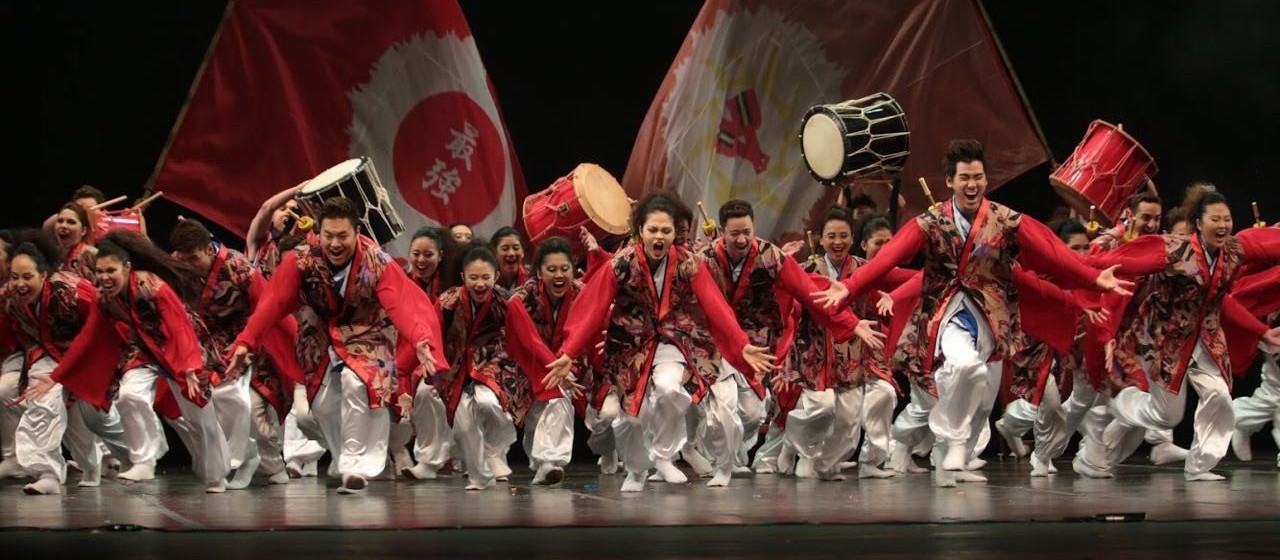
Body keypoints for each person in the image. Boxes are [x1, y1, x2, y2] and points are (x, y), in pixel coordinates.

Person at [812, 139, 1132, 487]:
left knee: (976, 380)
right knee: (965, 367)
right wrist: (850, 285)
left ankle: (955, 449)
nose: (972, 184)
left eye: (978, 177)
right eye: (965, 177)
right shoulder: (932, 221)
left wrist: (1093, 277)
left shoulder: (1004, 219)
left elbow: (1051, 250)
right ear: (949, 181)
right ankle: (950, 442)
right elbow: (890, 256)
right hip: (946, 312)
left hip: (990, 316)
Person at [543, 193, 778, 492]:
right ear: (640, 230)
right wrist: (569, 353)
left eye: (666, 231)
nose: (659, 236)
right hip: (630, 344)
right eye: (653, 229)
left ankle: (665, 456)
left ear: (673, 233)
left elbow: (714, 305)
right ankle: (637, 470)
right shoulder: (622, 264)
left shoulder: (688, 263)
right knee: (631, 416)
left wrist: (741, 343)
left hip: (672, 340)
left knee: (669, 389)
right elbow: (593, 309)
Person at [224, 197, 447, 494]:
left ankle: (356, 468)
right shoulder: (302, 260)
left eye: (342, 236)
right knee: (321, 407)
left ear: (357, 232)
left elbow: (403, 305)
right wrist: (246, 341)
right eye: (328, 235)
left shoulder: (376, 261)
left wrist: (420, 340)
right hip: (318, 334)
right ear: (318, 233)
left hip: (367, 333)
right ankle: (347, 460)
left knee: (356, 384)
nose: (335, 243)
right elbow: (272, 303)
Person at [1096, 192, 1280, 481]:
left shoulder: (1233, 251)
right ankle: (1122, 402)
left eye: (1227, 219)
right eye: (1215, 219)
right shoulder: (1174, 249)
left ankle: (1200, 465)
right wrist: (1086, 271)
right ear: (1199, 222)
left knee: (1219, 396)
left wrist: (1262, 333)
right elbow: (1124, 259)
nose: (1222, 225)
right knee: (1167, 417)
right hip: (1167, 340)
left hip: (1206, 338)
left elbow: (1267, 243)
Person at [692, 201, 872, 486]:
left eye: (747, 232)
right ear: (721, 233)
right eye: (734, 233)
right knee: (721, 405)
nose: (741, 239)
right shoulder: (702, 258)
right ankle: (721, 462)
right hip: (714, 337)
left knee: (752, 412)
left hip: (756, 344)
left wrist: (851, 322)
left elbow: (809, 290)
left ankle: (733, 453)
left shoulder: (770, 256)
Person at [45, 231, 231, 492]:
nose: (104, 277)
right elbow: (88, 338)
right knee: (128, 396)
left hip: (184, 352)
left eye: (111, 270)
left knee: (201, 420)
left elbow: (180, 329)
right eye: (99, 271)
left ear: (127, 267)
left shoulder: (152, 286)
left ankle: (216, 476)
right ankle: (144, 460)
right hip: (146, 351)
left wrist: (190, 367)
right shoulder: (105, 297)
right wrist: (57, 376)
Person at [170, 218, 303, 488]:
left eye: (193, 258)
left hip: (249, 343)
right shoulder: (179, 269)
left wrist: (293, 344)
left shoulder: (239, 269)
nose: (188, 265)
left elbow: (268, 308)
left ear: (208, 249)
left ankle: (265, 464)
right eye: (183, 259)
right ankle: (233, 462)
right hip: (206, 346)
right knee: (205, 408)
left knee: (251, 408)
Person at [3, 238, 132, 494]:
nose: (20, 283)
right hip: (46, 356)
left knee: (95, 420)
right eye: (15, 276)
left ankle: (133, 457)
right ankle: (46, 474)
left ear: (43, 274)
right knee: (43, 401)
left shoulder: (72, 290)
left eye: (27, 276)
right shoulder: (9, 297)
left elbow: (109, 321)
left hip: (85, 355)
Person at [505, 237, 590, 485]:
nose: (559, 275)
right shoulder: (520, 299)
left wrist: (568, 367)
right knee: (536, 416)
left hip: (570, 366)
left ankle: (549, 462)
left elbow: (583, 334)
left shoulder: (582, 293)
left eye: (564, 269)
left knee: (559, 398)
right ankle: (542, 462)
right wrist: (558, 367)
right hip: (526, 364)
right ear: (539, 272)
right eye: (551, 270)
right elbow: (528, 342)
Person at [490, 226, 529, 291]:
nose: (511, 253)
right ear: (495, 253)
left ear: (523, 252)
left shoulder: (531, 280)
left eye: (516, 248)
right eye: (505, 249)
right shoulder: (486, 280)